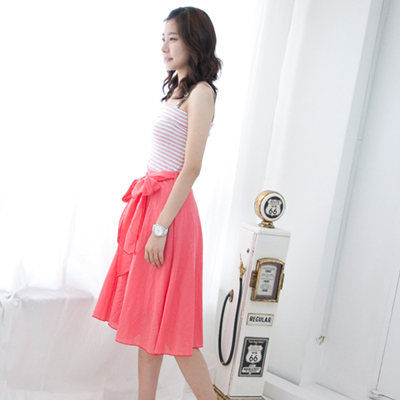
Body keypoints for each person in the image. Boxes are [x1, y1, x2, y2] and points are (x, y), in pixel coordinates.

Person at [92, 7, 222, 400]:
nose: (164, 47)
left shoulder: (201, 93)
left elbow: (192, 167)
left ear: (194, 42)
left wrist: (160, 227)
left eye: (173, 39)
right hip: (154, 208)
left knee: (176, 330)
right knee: (149, 323)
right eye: (162, 39)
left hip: (171, 216)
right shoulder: (176, 91)